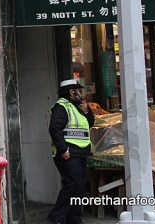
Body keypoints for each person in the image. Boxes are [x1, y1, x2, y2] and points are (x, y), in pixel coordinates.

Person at [47, 78, 95, 224]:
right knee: (72, 184)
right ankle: (56, 217)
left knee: (79, 186)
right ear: (71, 92)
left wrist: (87, 111)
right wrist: (63, 150)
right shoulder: (62, 106)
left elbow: (89, 124)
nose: (82, 93)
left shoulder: (77, 107)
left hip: (80, 153)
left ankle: (73, 219)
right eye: (79, 90)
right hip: (68, 153)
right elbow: (54, 129)